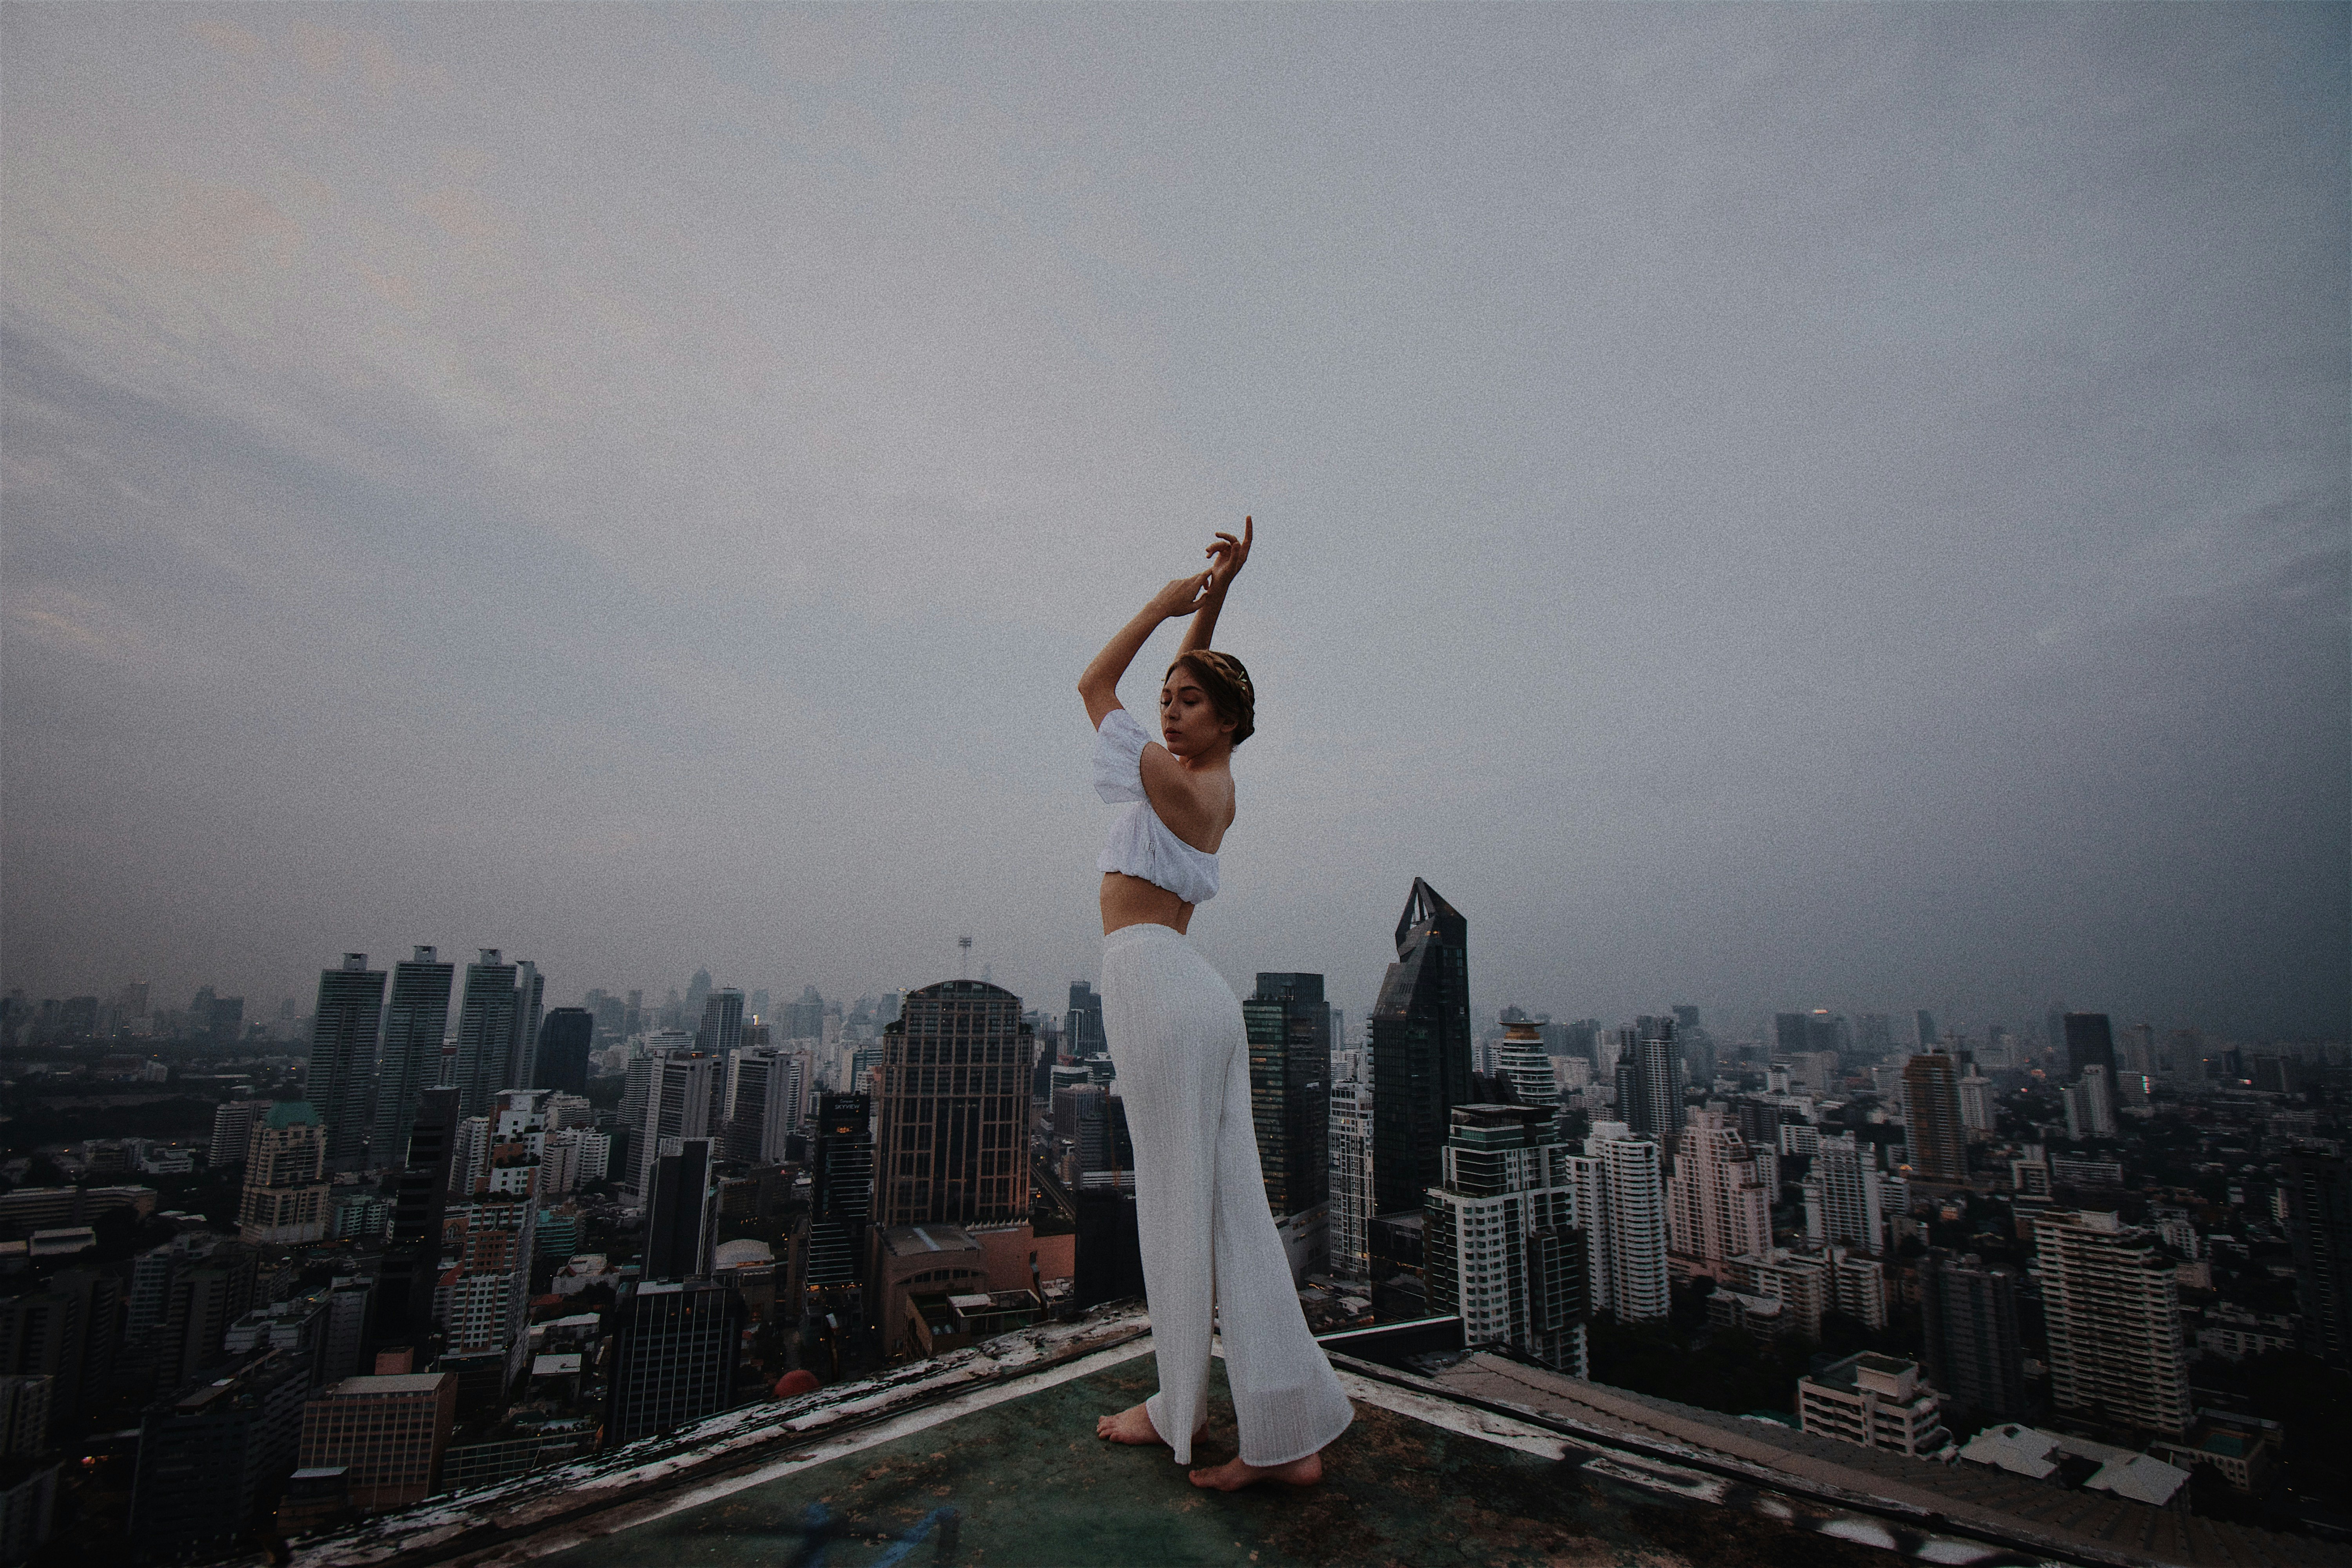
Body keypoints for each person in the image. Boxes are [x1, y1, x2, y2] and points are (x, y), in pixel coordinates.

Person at [1078, 517, 1354, 1490]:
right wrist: (1217, 593)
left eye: (1187, 703)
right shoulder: (1203, 775)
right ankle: (1290, 1431)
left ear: (1226, 720)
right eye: (1169, 702)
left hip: (1156, 984)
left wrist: (1162, 602)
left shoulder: (1184, 783)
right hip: (1188, 995)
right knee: (1229, 1211)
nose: (1169, 708)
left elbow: (1093, 687)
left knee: (1176, 1211)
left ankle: (1179, 1411)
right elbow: (1192, 676)